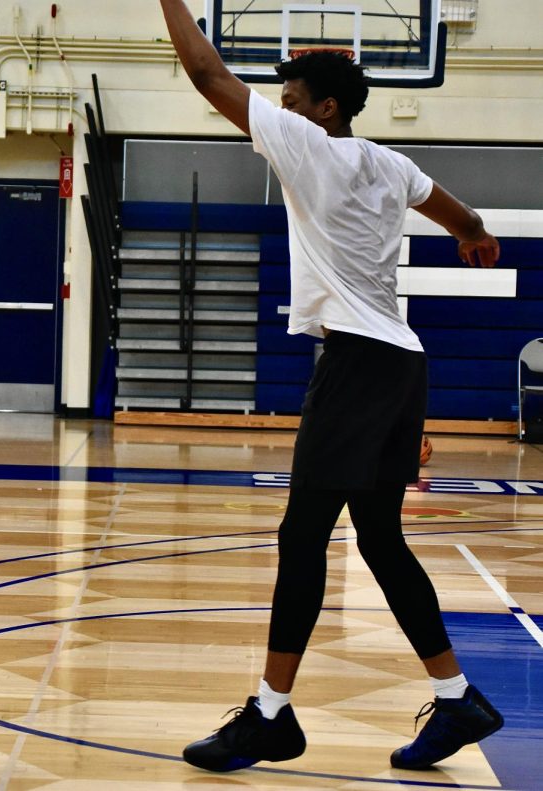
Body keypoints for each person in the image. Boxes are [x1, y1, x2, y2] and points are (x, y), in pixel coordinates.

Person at [158, 0, 504, 774]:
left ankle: (271, 717)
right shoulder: (389, 162)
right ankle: (457, 700)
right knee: (379, 537)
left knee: (302, 535)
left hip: (355, 364)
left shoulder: (310, 146)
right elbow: (465, 214)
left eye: (291, 100)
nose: (280, 112)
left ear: (325, 108)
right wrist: (474, 236)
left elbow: (206, 72)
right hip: (401, 363)